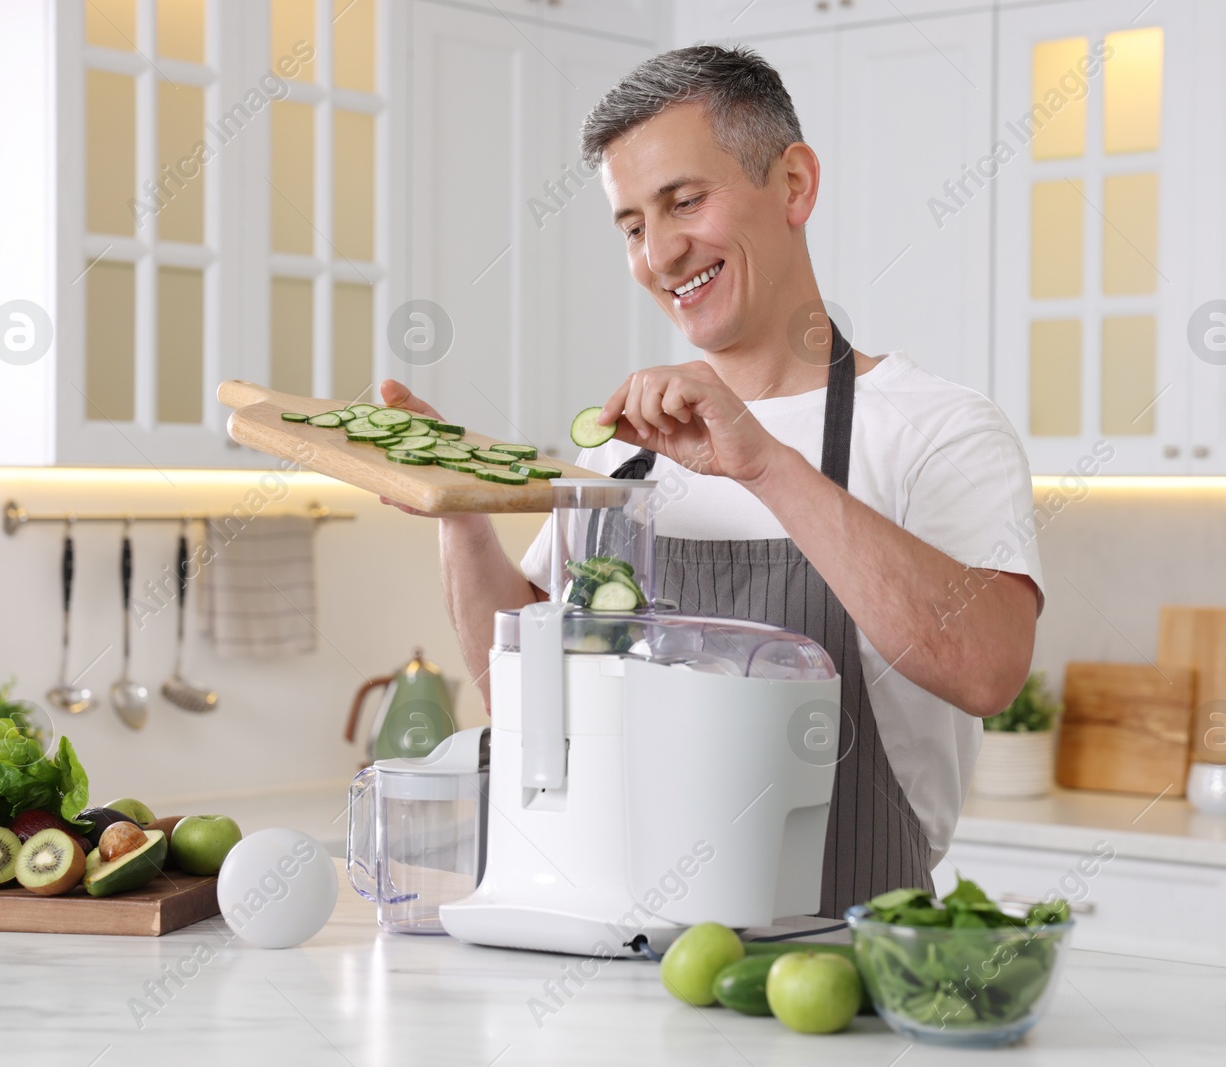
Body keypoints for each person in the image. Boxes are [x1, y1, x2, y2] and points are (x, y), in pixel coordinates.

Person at [378, 44, 1043, 917]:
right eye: (630, 225)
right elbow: (528, 706)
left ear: (795, 184)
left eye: (684, 201)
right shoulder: (629, 458)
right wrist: (458, 507)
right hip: (631, 965)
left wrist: (766, 464)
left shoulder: (936, 428)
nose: (659, 252)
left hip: (847, 981)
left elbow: (988, 667)